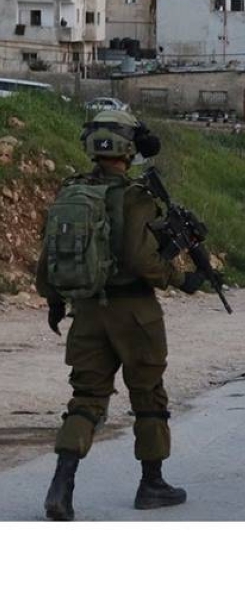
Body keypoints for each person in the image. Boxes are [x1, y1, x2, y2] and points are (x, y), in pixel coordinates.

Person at [36, 110, 206, 521]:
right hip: (135, 314)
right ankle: (152, 485)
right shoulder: (137, 197)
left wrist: (54, 300)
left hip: (87, 310)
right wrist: (181, 278)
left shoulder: (72, 192)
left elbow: (49, 256)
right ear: (129, 149)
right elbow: (141, 259)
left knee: (86, 398)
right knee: (148, 396)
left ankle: (61, 486)